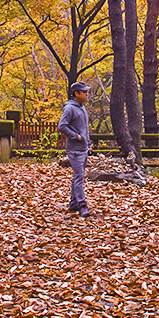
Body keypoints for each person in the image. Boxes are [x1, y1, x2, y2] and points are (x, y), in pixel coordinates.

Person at [58, 82, 93, 217]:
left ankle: (73, 203)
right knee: (79, 177)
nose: (87, 94)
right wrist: (76, 137)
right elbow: (62, 126)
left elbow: (85, 129)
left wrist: (88, 144)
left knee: (78, 176)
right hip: (74, 149)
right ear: (76, 93)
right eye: (84, 92)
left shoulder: (82, 107)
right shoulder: (70, 108)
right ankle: (82, 205)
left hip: (83, 148)